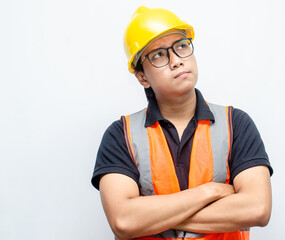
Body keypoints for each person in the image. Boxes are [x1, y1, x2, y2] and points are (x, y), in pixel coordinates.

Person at [92, 6, 273, 240]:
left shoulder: (235, 124)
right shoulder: (121, 135)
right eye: (158, 54)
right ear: (142, 76)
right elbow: (124, 221)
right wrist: (211, 192)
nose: (176, 61)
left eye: (181, 46)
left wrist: (150, 216)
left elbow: (257, 208)